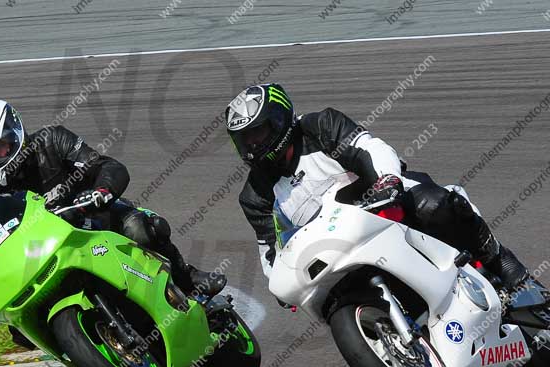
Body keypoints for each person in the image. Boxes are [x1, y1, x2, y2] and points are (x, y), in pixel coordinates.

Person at [225, 83, 529, 299]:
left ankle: (498, 260)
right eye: (244, 140)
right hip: (335, 253)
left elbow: (370, 148)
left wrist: (387, 181)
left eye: (258, 133)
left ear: (279, 120)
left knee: (435, 205)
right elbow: (270, 253)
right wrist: (279, 283)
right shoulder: (255, 196)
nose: (252, 145)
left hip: (384, 209)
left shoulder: (321, 126)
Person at [0, 100, 226, 346]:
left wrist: (101, 191)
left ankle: (189, 281)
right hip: (43, 252)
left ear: (17, 134)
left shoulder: (51, 141)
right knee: (22, 326)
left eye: (0, 146)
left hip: (95, 218)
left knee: (141, 229)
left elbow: (107, 166)